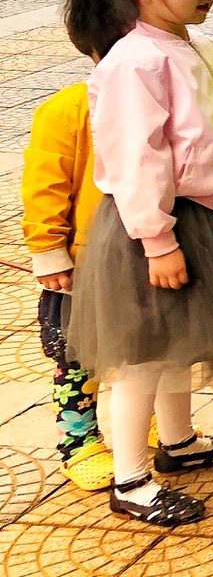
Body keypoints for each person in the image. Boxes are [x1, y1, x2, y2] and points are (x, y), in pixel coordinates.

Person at [62, 0, 213, 526]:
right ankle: (129, 477)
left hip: (202, 221)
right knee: (141, 356)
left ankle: (177, 443)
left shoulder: (191, 43)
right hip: (153, 228)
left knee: (178, 344)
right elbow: (138, 158)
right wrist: (157, 240)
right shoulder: (134, 62)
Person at [22, 43, 111, 491]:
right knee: (76, 357)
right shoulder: (67, 109)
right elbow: (44, 186)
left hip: (138, 258)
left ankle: (150, 420)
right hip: (79, 263)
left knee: (147, 346)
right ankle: (78, 440)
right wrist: (49, 253)